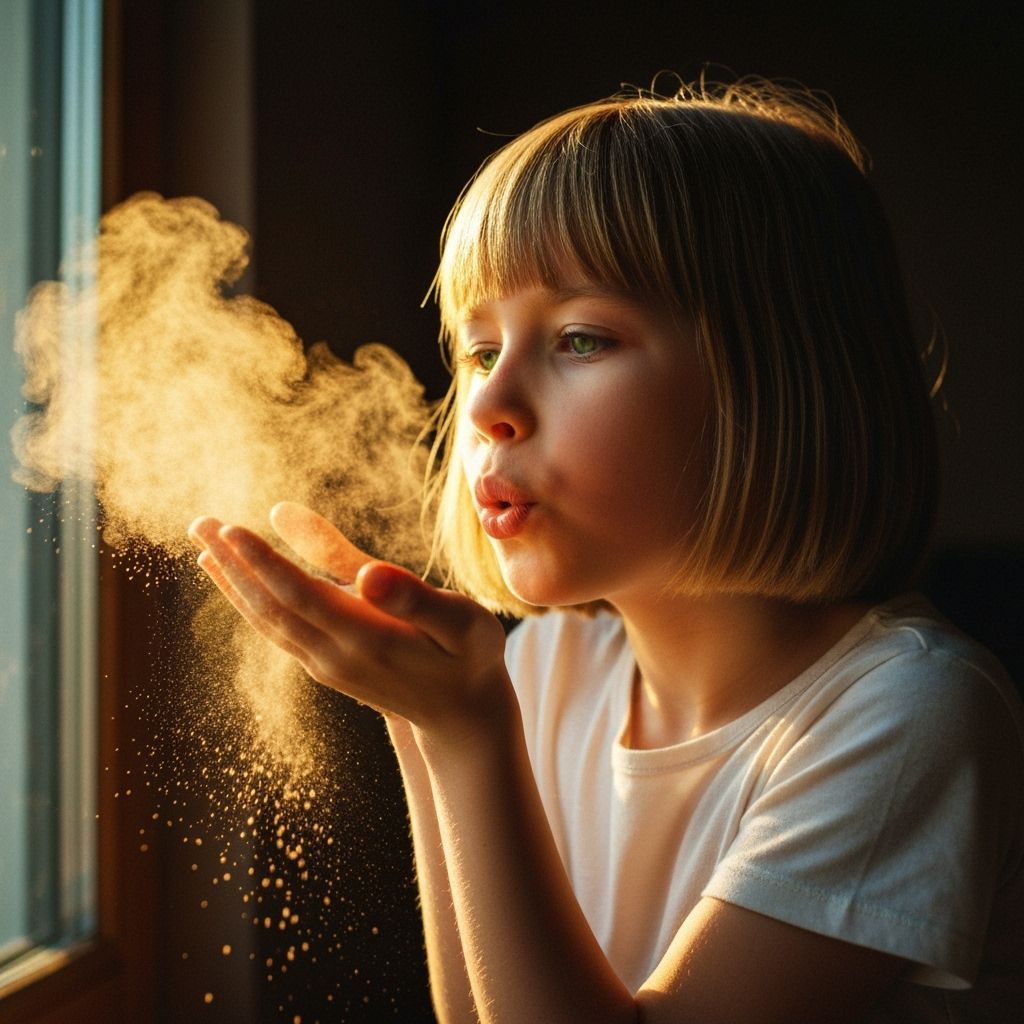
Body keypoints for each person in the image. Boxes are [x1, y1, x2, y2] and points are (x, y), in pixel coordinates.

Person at [189, 78, 1024, 1023]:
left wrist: (465, 735)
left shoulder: (909, 714)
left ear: (770, 386)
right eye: (477, 349)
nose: (488, 406)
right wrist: (419, 720)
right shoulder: (553, 667)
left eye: (580, 339)